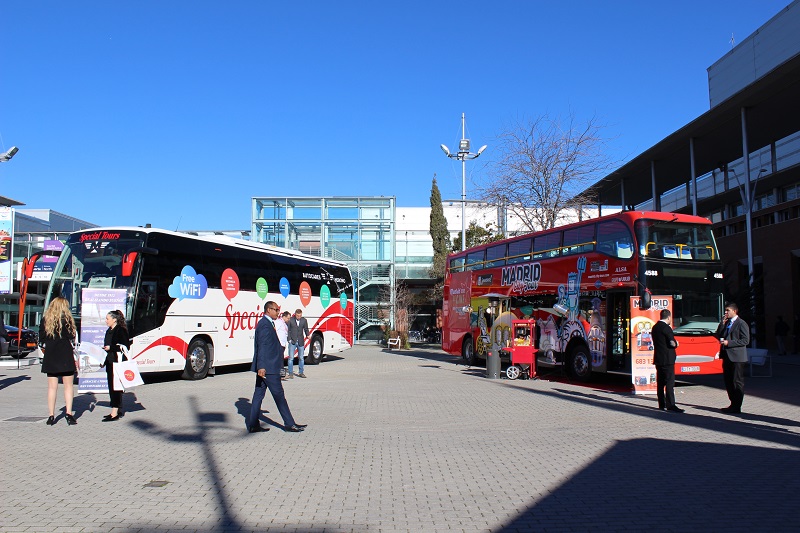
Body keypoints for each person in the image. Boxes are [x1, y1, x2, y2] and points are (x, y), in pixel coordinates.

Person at [248, 301, 306, 433]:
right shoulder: (264, 325)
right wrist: (261, 366)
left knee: (258, 395)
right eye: (276, 309)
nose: (278, 312)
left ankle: (253, 424)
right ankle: (289, 424)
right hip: (268, 368)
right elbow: (262, 346)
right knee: (279, 395)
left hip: (266, 366)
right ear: (268, 310)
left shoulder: (267, 323)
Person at [39, 297, 79, 426]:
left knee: (52, 387)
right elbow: (73, 337)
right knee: (68, 386)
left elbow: (41, 339)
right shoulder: (67, 320)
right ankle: (69, 414)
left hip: (51, 354)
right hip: (65, 354)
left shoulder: (46, 320)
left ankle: (51, 415)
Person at [715, 303, 750, 414]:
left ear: (734, 311)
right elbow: (718, 335)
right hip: (727, 356)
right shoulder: (727, 323)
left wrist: (729, 342)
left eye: (727, 310)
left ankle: (737, 406)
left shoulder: (741, 323)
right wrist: (721, 323)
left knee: (737, 382)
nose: (726, 312)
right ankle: (732, 404)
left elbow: (745, 340)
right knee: (728, 381)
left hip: (737, 357)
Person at [101, 310, 131, 422]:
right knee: (111, 386)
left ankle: (114, 412)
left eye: (107, 319)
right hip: (110, 361)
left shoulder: (120, 330)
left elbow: (125, 346)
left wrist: (111, 348)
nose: (106, 321)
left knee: (116, 387)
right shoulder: (109, 330)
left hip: (117, 362)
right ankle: (116, 409)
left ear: (114, 319)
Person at [651, 310, 683, 413]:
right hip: (668, 359)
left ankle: (661, 403)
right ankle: (671, 405)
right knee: (669, 382)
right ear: (668, 317)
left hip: (658, 358)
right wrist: (677, 344)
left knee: (660, 382)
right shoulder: (667, 328)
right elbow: (672, 343)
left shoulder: (655, 327)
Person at [287, 308, 309, 378]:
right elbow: (288, 330)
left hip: (300, 341)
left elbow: (306, 329)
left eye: (300, 316)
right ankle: (290, 373)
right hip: (292, 341)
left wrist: (308, 335)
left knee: (301, 358)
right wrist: (289, 339)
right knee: (291, 358)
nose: (298, 317)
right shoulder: (291, 320)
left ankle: (301, 372)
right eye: (297, 316)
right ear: (295, 315)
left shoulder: (304, 320)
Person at [275, 310, 290, 379]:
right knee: (280, 360)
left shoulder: (284, 323)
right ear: (284, 316)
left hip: (283, 344)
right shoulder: (279, 322)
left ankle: (281, 374)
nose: (288, 320)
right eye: (288, 318)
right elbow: (275, 331)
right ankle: (281, 375)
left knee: (280, 359)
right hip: (279, 343)